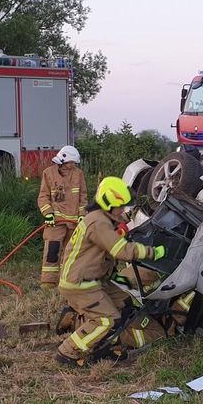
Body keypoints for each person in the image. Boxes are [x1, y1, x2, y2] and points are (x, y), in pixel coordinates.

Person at [56, 177, 166, 367]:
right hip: (80, 284)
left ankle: (104, 341)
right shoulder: (98, 223)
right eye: (121, 207)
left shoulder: (103, 219)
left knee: (125, 303)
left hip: (94, 281)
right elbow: (121, 251)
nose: (124, 211)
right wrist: (153, 252)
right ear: (108, 204)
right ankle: (68, 352)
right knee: (107, 319)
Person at [37, 145, 87, 287]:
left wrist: (82, 215)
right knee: (52, 250)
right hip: (55, 222)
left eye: (74, 164)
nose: (73, 166)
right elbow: (43, 196)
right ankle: (48, 281)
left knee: (71, 253)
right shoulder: (49, 173)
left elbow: (83, 197)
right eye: (71, 163)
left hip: (73, 223)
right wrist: (48, 214)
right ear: (63, 161)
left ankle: (68, 281)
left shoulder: (78, 174)